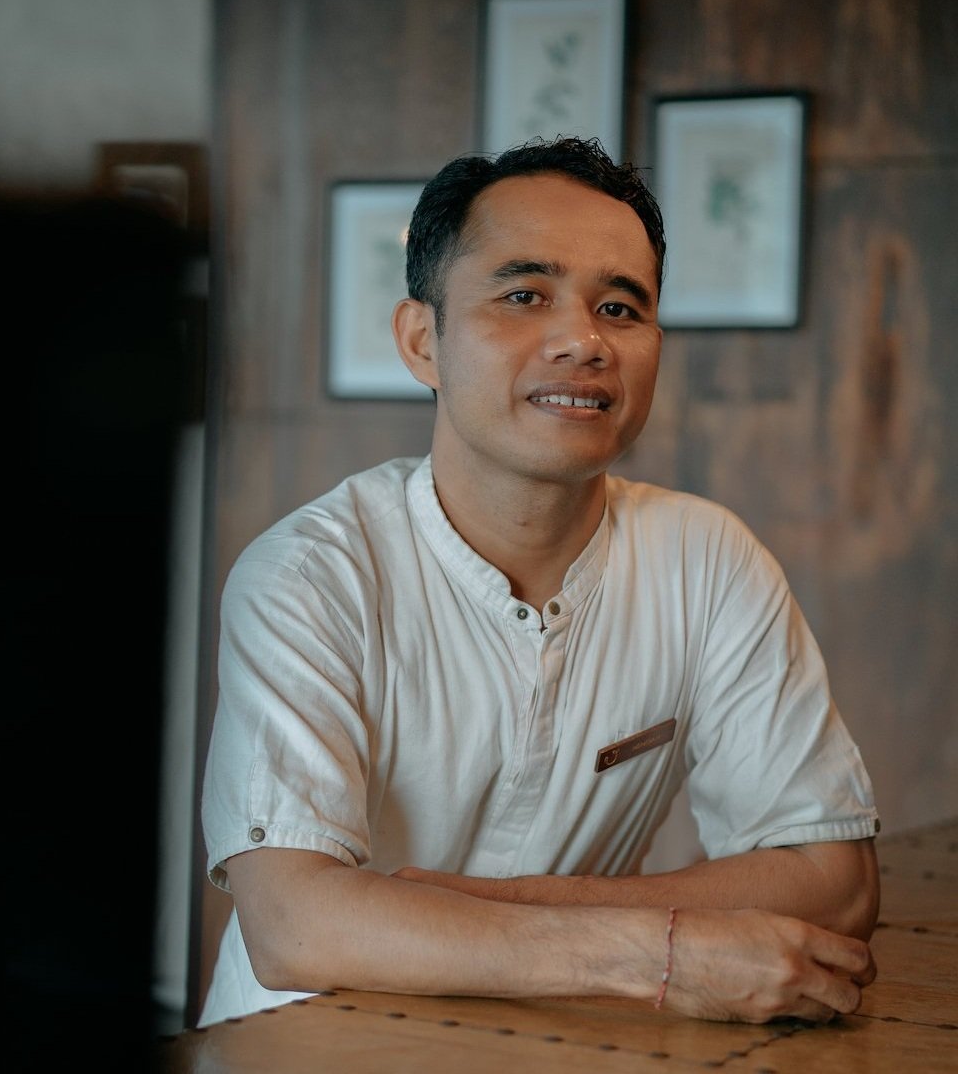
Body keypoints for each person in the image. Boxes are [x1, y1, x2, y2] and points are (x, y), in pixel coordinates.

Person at [199, 136, 880, 1027]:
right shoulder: (311, 574)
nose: (583, 341)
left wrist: (484, 912)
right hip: (306, 1044)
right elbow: (294, 923)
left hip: (562, 1038)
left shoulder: (708, 557)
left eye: (621, 308)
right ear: (421, 340)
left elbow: (833, 883)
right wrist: (663, 951)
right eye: (524, 296)